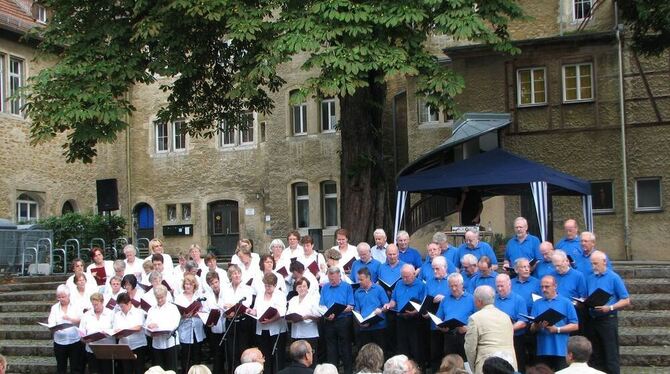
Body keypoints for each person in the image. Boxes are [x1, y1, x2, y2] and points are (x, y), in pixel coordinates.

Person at [584, 250, 630, 374]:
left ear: (604, 262)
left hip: (607, 319)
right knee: (595, 355)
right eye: (592, 264)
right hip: (593, 319)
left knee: (610, 354)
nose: (593, 267)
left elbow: (626, 300)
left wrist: (610, 307)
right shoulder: (590, 278)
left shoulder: (613, 277)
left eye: (596, 264)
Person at [529, 275, 579, 371]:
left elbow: (575, 325)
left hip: (561, 349)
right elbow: (532, 328)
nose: (544, 289)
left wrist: (558, 330)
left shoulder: (566, 302)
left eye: (547, 286)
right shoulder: (537, 303)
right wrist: (537, 326)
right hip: (543, 349)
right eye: (542, 287)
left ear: (555, 286)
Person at [465, 285, 517, 374]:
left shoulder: (474, 318)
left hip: (486, 365)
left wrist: (473, 367)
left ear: (479, 301)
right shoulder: (506, 317)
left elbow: (470, 348)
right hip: (509, 362)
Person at [382, 264, 425, 364]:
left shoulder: (421, 285)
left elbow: (423, 304)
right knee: (402, 347)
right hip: (400, 319)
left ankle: (418, 368)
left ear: (414, 274)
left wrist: (415, 312)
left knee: (416, 347)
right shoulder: (399, 284)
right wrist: (389, 305)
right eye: (403, 276)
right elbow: (394, 300)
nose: (404, 279)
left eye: (407, 276)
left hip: (415, 320)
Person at [247, 272, 288, 374]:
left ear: (275, 285)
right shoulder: (260, 294)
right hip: (262, 330)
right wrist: (250, 311)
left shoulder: (280, 295)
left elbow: (281, 312)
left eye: (269, 286)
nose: (267, 288)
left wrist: (271, 320)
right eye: (265, 285)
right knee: (265, 357)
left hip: (276, 330)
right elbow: (256, 309)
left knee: (277, 357)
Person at [319, 266, 355, 374]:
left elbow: (351, 306)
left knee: (345, 347)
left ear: (339, 276)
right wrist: (326, 314)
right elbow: (321, 305)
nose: (332, 281)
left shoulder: (347, 287)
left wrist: (338, 311)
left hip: (343, 320)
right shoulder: (325, 287)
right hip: (329, 320)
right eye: (330, 279)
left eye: (334, 279)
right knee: (331, 349)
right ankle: (332, 371)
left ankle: (348, 371)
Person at [222, 264, 256, 371]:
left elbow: (246, 304)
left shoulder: (247, 288)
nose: (236, 275)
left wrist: (231, 305)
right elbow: (223, 304)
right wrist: (229, 309)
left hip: (243, 322)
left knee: (243, 351)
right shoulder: (225, 288)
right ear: (230, 276)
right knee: (231, 352)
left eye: (238, 273)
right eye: (234, 273)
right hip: (230, 321)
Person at [436, 273, 476, 361]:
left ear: (462, 285)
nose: (453, 289)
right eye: (451, 286)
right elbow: (438, 318)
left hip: (465, 336)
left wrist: (468, 328)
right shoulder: (445, 300)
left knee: (466, 363)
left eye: (456, 286)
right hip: (449, 336)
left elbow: (479, 320)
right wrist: (441, 327)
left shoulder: (472, 299)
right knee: (450, 364)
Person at [493, 274, 528, 372]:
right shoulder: (493, 299)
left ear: (509, 284)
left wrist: (508, 329)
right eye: (498, 286)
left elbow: (523, 322)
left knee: (516, 365)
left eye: (502, 286)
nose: (499, 289)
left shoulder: (519, 300)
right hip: (497, 339)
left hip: (515, 339)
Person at [175, 274, 207, 374]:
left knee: (197, 355)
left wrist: (198, 314)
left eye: (190, 284)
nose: (187, 286)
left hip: (197, 329)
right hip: (185, 329)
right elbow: (176, 313)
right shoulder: (179, 297)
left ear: (194, 285)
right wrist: (183, 315)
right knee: (186, 357)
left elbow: (206, 310)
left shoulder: (199, 296)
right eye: (186, 284)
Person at [49, 284, 84, 374]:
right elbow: (51, 322)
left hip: (74, 341)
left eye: (63, 297)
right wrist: (54, 328)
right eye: (59, 297)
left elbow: (82, 319)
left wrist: (70, 319)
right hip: (59, 342)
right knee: (61, 367)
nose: (61, 299)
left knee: (75, 367)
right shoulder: (54, 308)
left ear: (68, 296)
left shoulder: (76, 305)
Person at [424, 256, 451, 371]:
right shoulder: (429, 282)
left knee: (448, 354)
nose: (434, 271)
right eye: (433, 269)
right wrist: (425, 312)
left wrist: (444, 298)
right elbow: (426, 300)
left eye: (437, 269)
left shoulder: (452, 280)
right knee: (435, 353)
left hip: (449, 323)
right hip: (433, 322)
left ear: (445, 268)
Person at [145, 285, 181, 372]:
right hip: (157, 344)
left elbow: (174, 324)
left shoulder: (172, 308)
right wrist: (149, 328)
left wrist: (158, 326)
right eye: (158, 298)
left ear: (166, 296)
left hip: (170, 343)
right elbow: (146, 327)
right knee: (158, 370)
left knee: (171, 370)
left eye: (162, 297)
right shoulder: (152, 310)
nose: (160, 300)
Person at [286, 277, 321, 361]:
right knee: (297, 360)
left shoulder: (313, 299)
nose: (302, 289)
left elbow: (318, 316)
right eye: (299, 287)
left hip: (309, 334)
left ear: (307, 287)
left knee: (309, 359)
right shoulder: (293, 300)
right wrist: (292, 318)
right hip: (296, 334)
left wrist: (307, 317)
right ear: (296, 288)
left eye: (304, 286)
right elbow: (288, 315)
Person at [79, 292, 114, 374]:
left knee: (106, 371)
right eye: (93, 304)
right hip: (92, 349)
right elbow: (81, 332)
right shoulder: (86, 315)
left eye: (97, 304)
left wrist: (107, 332)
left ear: (102, 302)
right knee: (94, 371)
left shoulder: (111, 314)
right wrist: (84, 339)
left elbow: (115, 329)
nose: (95, 307)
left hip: (106, 349)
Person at [113, 292, 147, 374]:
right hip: (124, 346)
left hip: (138, 345)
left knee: (139, 370)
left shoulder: (139, 312)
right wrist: (117, 333)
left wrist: (125, 330)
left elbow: (138, 327)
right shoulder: (117, 315)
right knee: (126, 370)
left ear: (129, 303)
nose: (121, 308)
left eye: (122, 306)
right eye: (119, 306)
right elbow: (115, 329)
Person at [353, 267, 388, 348]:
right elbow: (357, 310)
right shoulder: (357, 292)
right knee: (366, 353)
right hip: (365, 328)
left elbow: (386, 305)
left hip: (379, 326)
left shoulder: (379, 289)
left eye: (361, 279)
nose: (359, 282)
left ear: (368, 278)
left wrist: (381, 310)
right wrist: (360, 322)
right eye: (358, 279)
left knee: (380, 351)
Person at [203, 271, 226, 374]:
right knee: (217, 354)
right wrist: (208, 321)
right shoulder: (207, 296)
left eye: (216, 282)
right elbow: (205, 312)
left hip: (227, 327)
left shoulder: (226, 292)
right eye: (212, 284)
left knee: (228, 353)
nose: (215, 285)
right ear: (209, 285)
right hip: (214, 328)